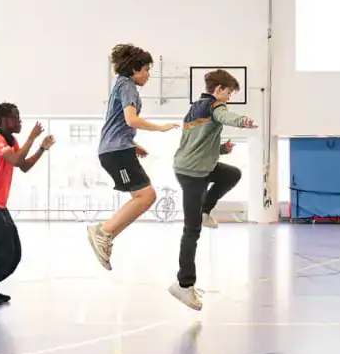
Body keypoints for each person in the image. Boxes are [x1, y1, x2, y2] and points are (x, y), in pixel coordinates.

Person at [86, 44, 181, 270]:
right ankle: (103, 232)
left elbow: (117, 124)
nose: (148, 75)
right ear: (134, 69)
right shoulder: (127, 85)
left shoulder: (121, 85)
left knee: (144, 196)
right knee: (145, 196)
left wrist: (134, 145)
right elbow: (131, 120)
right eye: (146, 69)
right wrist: (160, 128)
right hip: (116, 152)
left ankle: (105, 235)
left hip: (118, 150)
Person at [168, 69, 256, 310]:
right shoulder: (215, 106)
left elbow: (196, 144)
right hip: (193, 174)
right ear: (219, 89)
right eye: (229, 93)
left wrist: (222, 150)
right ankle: (183, 285)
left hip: (194, 165)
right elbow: (226, 116)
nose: (229, 97)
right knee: (191, 229)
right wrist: (243, 121)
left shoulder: (195, 108)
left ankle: (206, 211)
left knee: (232, 174)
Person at [0, 103, 55, 305]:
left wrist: (42, 148)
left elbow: (23, 166)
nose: (19, 121)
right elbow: (16, 160)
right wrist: (32, 137)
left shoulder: (11, 141)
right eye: (16, 117)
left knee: (15, 254)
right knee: (2, 255)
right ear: (4, 120)